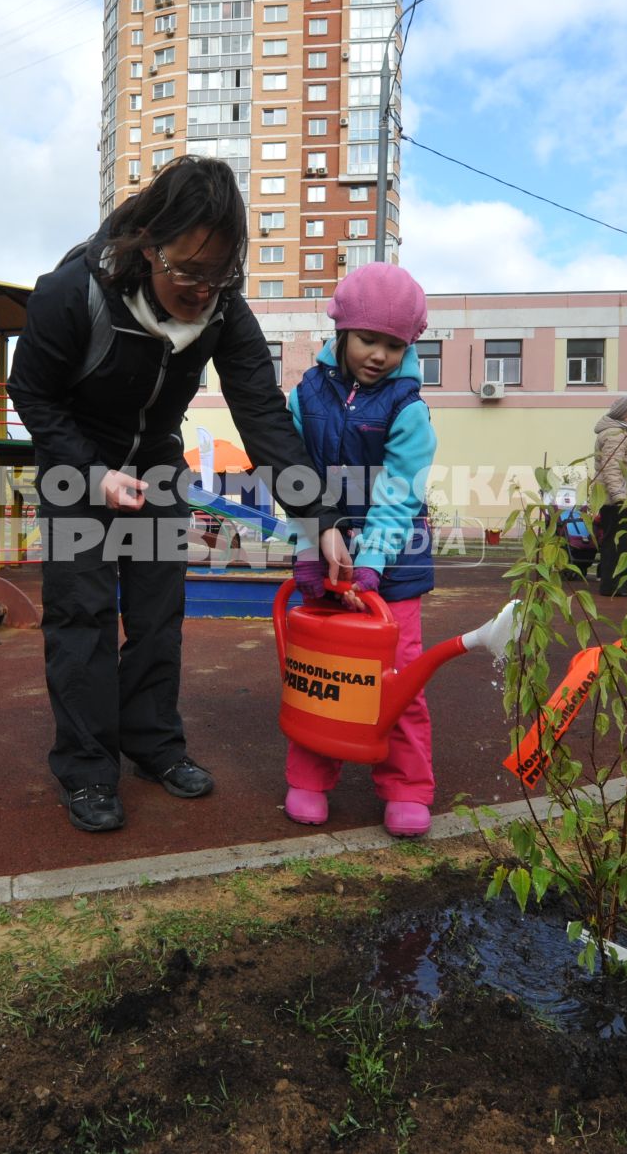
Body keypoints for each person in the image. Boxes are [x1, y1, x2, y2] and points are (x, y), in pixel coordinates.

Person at [8, 155, 350, 835]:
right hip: (78, 465)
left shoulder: (224, 309)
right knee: (82, 616)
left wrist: (319, 519)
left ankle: (154, 743)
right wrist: (89, 469)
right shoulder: (74, 291)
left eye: (217, 273)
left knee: (160, 611)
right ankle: (86, 768)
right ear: (149, 246)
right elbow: (33, 392)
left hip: (157, 464)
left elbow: (263, 414)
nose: (199, 290)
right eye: (186, 271)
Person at [281, 263, 440, 839]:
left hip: (394, 562)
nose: (378, 354)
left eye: (394, 345)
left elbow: (400, 492)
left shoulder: (408, 407)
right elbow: (297, 476)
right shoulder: (306, 394)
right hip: (322, 553)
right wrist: (306, 545)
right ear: (342, 332)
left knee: (396, 682)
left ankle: (405, 787)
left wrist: (372, 561)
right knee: (319, 673)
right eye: (368, 339)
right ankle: (309, 778)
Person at [591, 395, 627, 596]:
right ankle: (615, 586)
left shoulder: (619, 433)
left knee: (616, 542)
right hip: (617, 500)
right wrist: (622, 498)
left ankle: (612, 584)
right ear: (626, 413)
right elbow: (611, 468)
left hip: (614, 499)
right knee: (619, 544)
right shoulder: (616, 434)